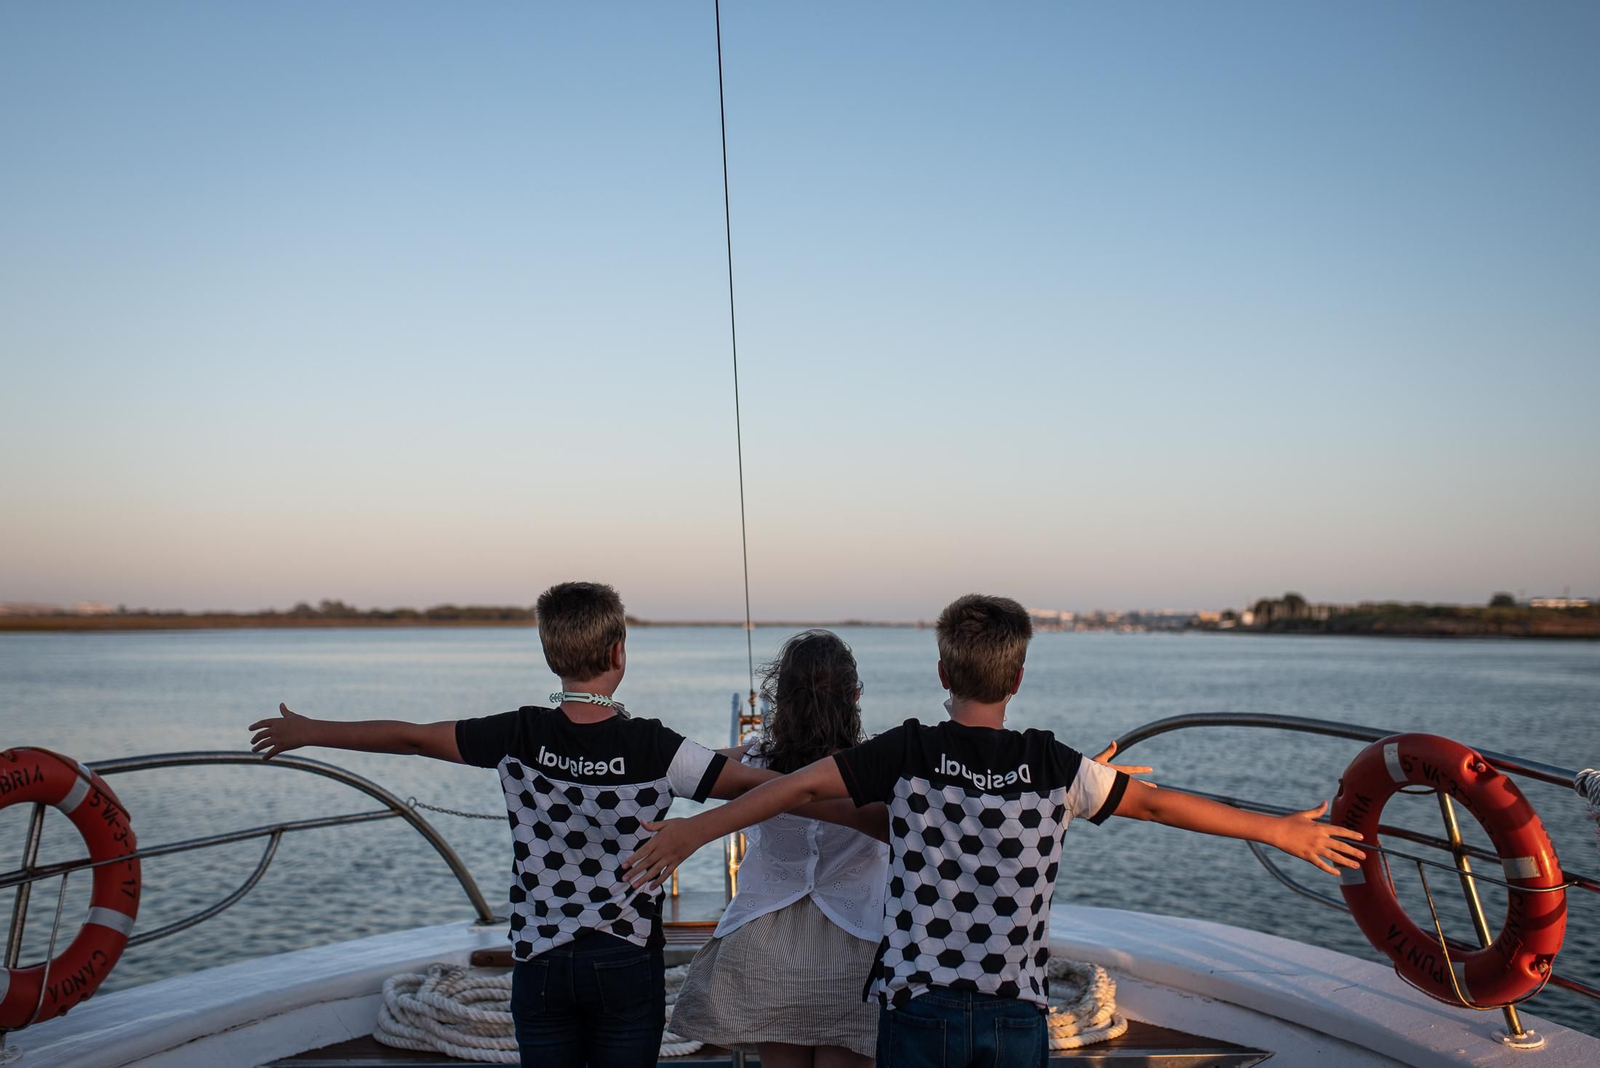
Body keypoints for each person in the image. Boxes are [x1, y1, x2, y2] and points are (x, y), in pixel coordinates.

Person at [622, 593, 1365, 1068]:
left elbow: (804, 785)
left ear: (943, 669)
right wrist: (1278, 832)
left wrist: (698, 831)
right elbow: (1163, 806)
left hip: (919, 1003)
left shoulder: (907, 753)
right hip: (1015, 1009)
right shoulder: (1052, 764)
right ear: (1017, 680)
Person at [247, 581, 864, 1068]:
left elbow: (411, 737)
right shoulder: (657, 748)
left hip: (539, 959)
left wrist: (312, 731)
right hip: (624, 959)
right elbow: (778, 791)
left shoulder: (517, 734)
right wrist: (871, 814)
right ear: (620, 653)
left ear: (550, 654)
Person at [671, 630, 889, 1068]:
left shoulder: (751, 763)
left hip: (767, 944)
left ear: (782, 698)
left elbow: (679, 768)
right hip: (858, 942)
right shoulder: (879, 768)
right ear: (855, 696)